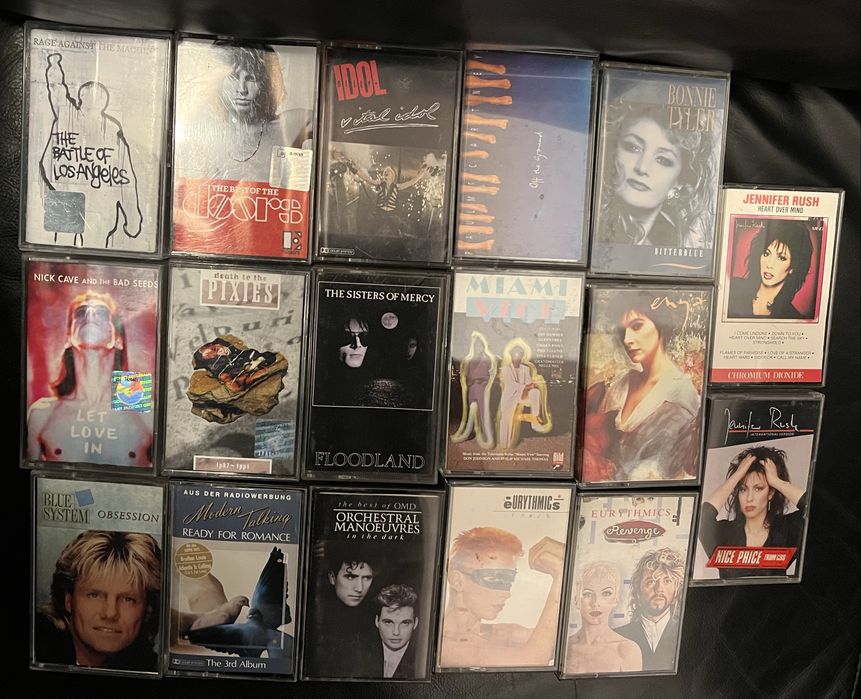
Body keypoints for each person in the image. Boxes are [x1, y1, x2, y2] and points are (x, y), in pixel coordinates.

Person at [581, 291, 701, 483]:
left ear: (662, 324)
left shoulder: (681, 393)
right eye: (623, 331)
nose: (627, 339)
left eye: (637, 326)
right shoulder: (622, 383)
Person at [26, 291, 153, 467]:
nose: (90, 316)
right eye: (80, 313)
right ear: (68, 338)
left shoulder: (146, 410)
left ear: (118, 340)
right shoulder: (42, 413)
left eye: (101, 313)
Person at [39, 53, 142, 248]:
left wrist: (132, 215)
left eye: (99, 95)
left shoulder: (112, 129)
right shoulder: (67, 115)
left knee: (95, 251)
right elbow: (57, 90)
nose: (94, 98)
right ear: (81, 97)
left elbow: (125, 176)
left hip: (100, 202)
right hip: (65, 194)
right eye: (89, 94)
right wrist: (54, 67)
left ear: (105, 101)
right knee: (59, 250)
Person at [178, 40, 313, 183]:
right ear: (219, 82)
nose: (242, 89)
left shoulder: (286, 126)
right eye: (233, 77)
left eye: (251, 79)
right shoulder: (203, 132)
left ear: (264, 84)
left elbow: (324, 119)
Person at [34, 530, 161, 671]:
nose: (110, 614)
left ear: (148, 610)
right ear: (68, 600)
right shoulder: (35, 647)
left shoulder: (152, 667)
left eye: (128, 599)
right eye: (94, 595)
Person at [439, 527, 565, 668]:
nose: (506, 593)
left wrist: (570, 554)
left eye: (509, 580)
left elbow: (572, 645)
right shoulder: (443, 646)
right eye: (494, 578)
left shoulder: (503, 633)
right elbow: (534, 659)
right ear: (457, 580)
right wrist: (562, 576)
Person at [596, 101, 716, 249]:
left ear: (680, 181)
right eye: (633, 147)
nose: (642, 168)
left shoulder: (677, 246)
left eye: (662, 160)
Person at [699, 446, 807, 579]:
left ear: (771, 492)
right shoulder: (724, 533)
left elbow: (815, 509)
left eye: (758, 488)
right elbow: (702, 518)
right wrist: (736, 477)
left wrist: (776, 482)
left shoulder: (786, 530)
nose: (749, 498)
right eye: (743, 489)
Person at [304, 542, 380, 677]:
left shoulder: (375, 619)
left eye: (367, 578)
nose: (359, 588)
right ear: (332, 577)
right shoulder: (314, 615)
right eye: (350, 577)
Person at [564, 561, 643, 674]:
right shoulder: (565, 648)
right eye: (588, 594)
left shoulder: (626, 650)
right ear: (577, 600)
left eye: (606, 593)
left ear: (616, 599)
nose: (596, 603)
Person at [727, 219, 814, 319]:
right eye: (766, 254)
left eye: (781, 258)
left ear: (792, 267)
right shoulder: (731, 288)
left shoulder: (794, 317)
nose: (769, 265)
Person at [614, 548, 685, 671]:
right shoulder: (617, 637)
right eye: (651, 581)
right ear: (637, 590)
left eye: (667, 581)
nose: (659, 589)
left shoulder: (687, 633)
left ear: (676, 590)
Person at [496, 340, 551, 450]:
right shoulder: (506, 369)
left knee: (535, 392)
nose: (518, 358)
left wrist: (531, 385)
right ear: (511, 356)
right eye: (516, 355)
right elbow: (511, 385)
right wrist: (526, 386)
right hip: (510, 397)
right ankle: (504, 444)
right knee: (506, 419)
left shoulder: (526, 369)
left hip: (522, 395)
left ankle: (535, 417)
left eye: (520, 355)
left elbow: (529, 382)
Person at [361, 584, 420, 678]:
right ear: (377, 621)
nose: (396, 632)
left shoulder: (421, 660)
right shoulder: (359, 654)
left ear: (415, 623)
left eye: (405, 623)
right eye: (388, 622)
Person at [451, 331, 497, 449]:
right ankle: (468, 432)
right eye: (476, 346)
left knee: (484, 411)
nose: (478, 348)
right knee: (470, 411)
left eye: (480, 346)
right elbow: (466, 375)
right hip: (472, 388)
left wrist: (487, 381)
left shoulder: (487, 360)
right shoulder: (470, 361)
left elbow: (492, 374)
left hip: (482, 388)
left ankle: (489, 436)